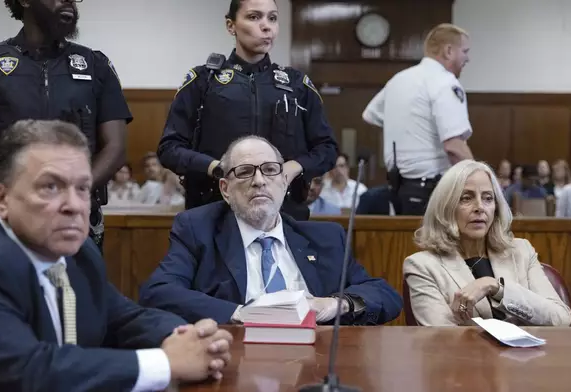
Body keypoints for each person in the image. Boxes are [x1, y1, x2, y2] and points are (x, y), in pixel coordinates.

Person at [0, 120, 233, 391]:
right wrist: (167, 363)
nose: (74, 206)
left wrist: (185, 337)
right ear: (1, 199)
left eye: (82, 188)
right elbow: (31, 371)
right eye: (50, 187)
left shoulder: (79, 252)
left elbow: (123, 318)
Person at [139, 136, 403, 325]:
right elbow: (158, 292)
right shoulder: (199, 229)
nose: (259, 181)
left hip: (314, 363)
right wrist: (241, 314)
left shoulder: (326, 238)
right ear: (225, 189)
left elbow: (385, 295)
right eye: (244, 172)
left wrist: (334, 304)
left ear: (284, 182)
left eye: (270, 170)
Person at [0, 0, 131, 251]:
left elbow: (115, 147)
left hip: (73, 224)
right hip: (3, 222)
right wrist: (19, 193)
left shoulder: (95, 65)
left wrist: (70, 193)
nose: (69, 1)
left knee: (74, 290)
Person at [157, 0, 338, 220]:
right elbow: (169, 148)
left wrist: (294, 167)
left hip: (284, 213)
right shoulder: (203, 81)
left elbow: (327, 148)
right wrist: (216, 167)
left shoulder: (296, 84)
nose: (266, 26)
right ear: (231, 25)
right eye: (254, 17)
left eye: (272, 18)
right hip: (213, 212)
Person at [403, 160, 571, 326]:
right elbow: (440, 338)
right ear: (446, 208)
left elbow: (560, 319)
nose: (479, 207)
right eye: (466, 198)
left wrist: (496, 288)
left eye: (488, 198)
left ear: (496, 208)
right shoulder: (422, 266)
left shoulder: (521, 251)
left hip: (527, 353)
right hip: (464, 354)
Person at [362, 23, 474, 215]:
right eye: (464, 51)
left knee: (410, 245)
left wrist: (408, 128)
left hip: (399, 188)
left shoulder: (399, 79)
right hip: (432, 190)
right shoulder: (444, 81)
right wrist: (482, 180)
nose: (468, 58)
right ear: (449, 51)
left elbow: (371, 115)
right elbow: (454, 147)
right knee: (435, 245)